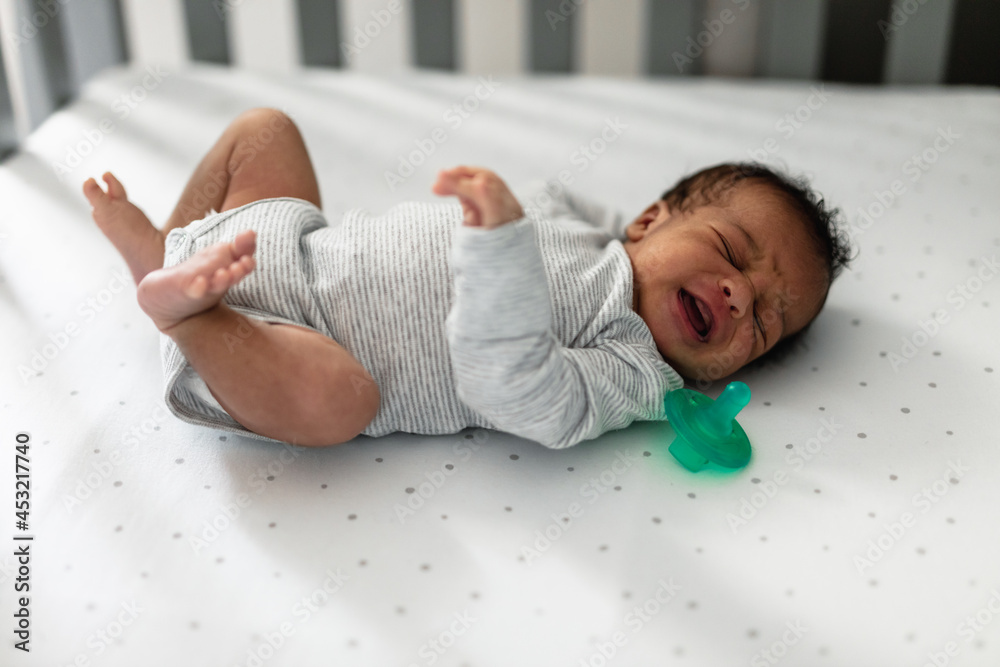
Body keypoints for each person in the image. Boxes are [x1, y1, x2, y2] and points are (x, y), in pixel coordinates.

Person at [83, 108, 852, 449]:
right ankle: (168, 257)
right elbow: (600, 214)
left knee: (339, 404)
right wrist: (555, 227)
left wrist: (503, 249)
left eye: (766, 322)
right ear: (649, 221)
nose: (741, 293)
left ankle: (190, 319)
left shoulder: (633, 371)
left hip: (293, 350)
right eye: (729, 247)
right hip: (285, 248)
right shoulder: (578, 223)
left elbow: (520, 394)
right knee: (266, 131)